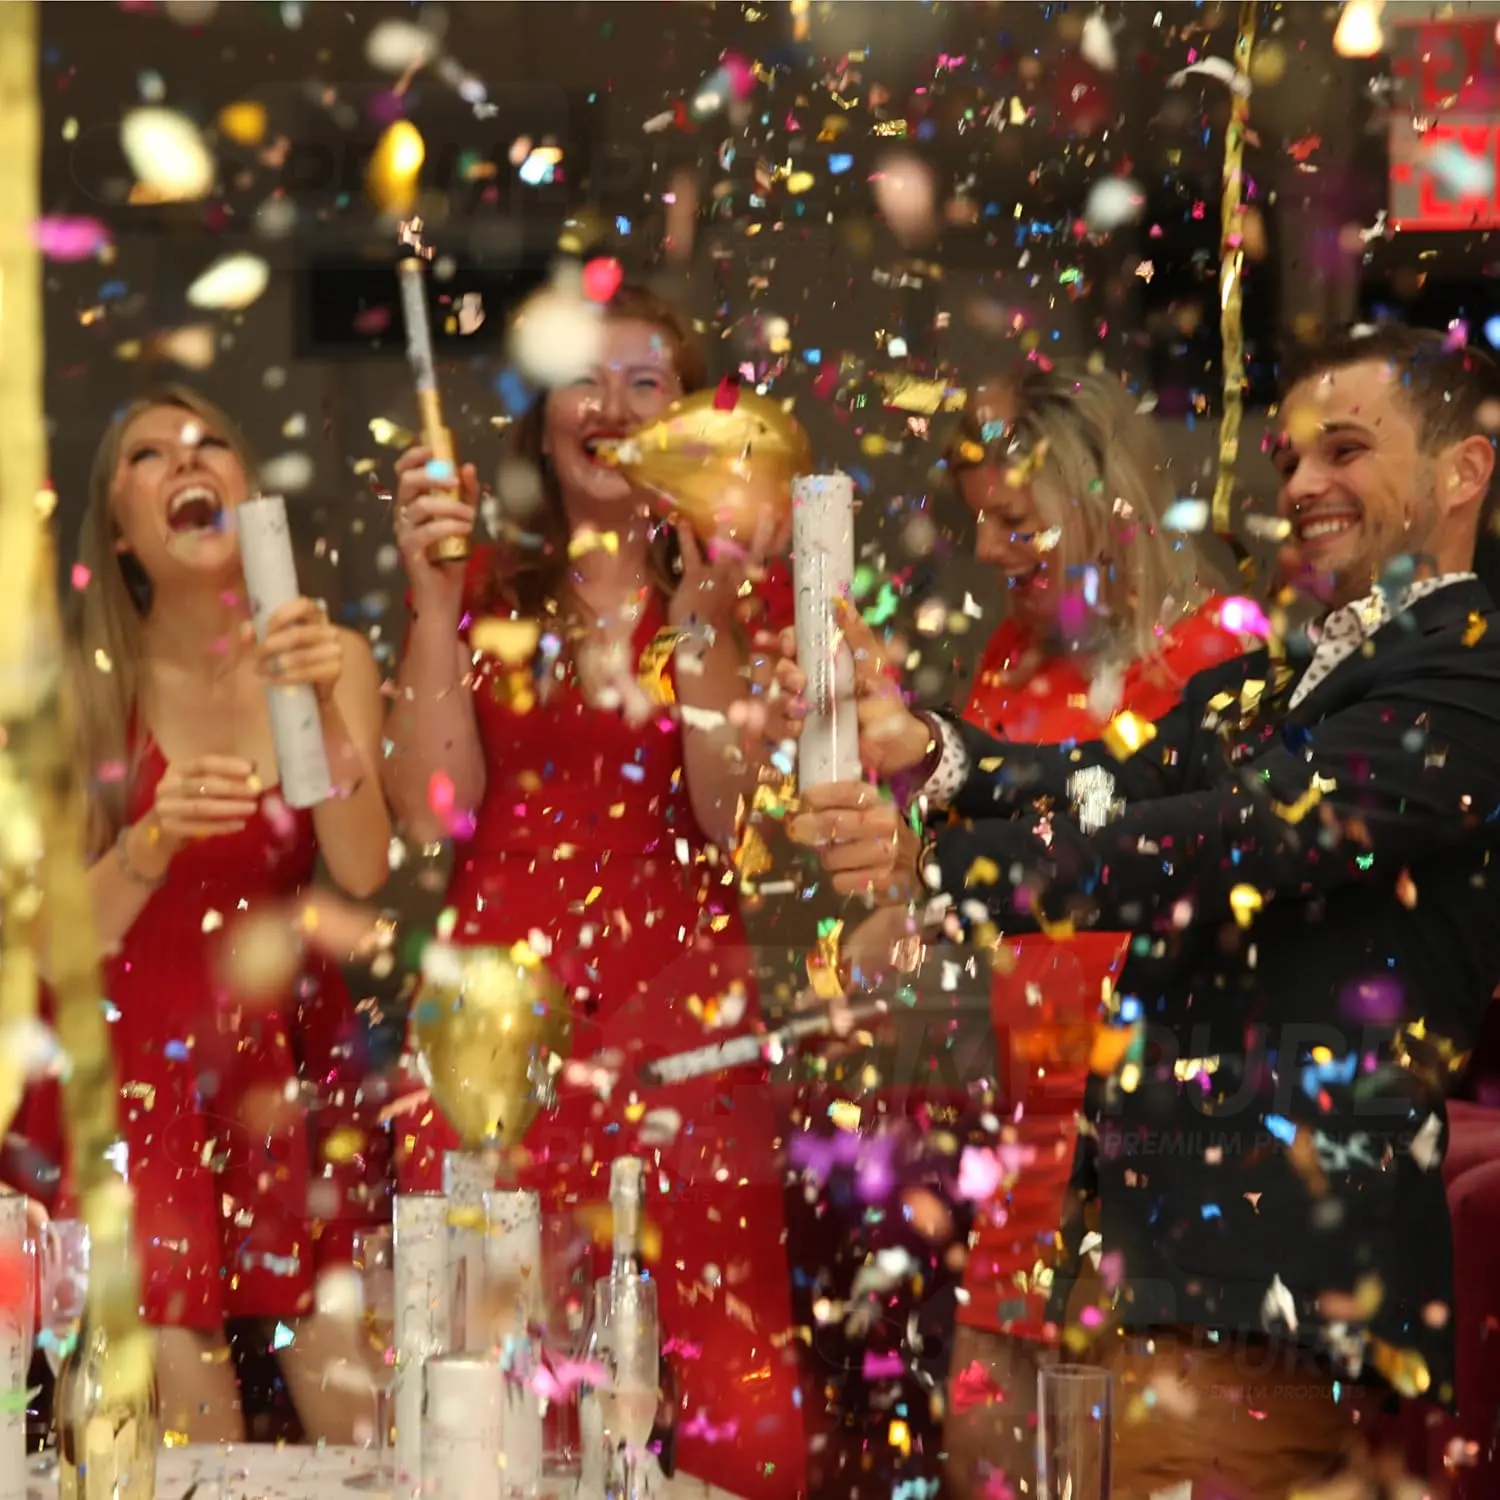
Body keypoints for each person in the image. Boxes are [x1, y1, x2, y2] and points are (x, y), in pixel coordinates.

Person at [774, 325, 1500, 1499]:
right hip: (1153, 1271)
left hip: (1278, 1297)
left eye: (1346, 450)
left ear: (1465, 471)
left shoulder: (1473, 672)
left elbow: (1238, 835)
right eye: (1293, 456)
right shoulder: (1275, 678)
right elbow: (1102, 784)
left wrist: (938, 873)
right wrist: (927, 748)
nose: (1302, 484)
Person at [382, 283, 806, 1498]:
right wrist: (431, 601)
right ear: (545, 417)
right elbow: (433, 812)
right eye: (586, 378)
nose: (611, 407)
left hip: (686, 1031)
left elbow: (731, 821)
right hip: (498, 1034)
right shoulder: (479, 587)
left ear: (695, 424)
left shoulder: (743, 596)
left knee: (730, 1388)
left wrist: (705, 613)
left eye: (646, 384)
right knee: (497, 1394)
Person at [13, 387, 391, 1442]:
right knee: (191, 1442)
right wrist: (148, 841)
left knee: (366, 1425)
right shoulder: (77, 689)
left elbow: (363, 867)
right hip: (134, 1070)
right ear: (119, 532)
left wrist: (322, 704)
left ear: (249, 493)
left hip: (282, 1062)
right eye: (148, 454)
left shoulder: (333, 656)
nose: (187, 460)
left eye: (211, 442)